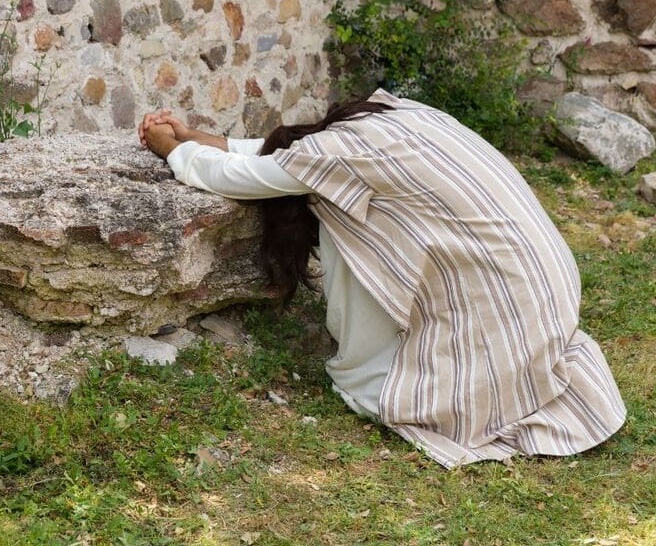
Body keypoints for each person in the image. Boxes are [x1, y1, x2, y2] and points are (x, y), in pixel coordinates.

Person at [136, 88, 627, 469]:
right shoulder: (395, 117)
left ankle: (432, 378)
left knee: (344, 223)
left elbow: (240, 176)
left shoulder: (336, 156)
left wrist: (171, 150)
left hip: (507, 302)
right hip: (545, 294)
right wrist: (197, 137)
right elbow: (278, 156)